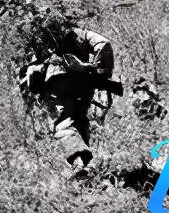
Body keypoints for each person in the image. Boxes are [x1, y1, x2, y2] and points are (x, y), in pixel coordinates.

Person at [18, 10, 121, 177]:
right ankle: (85, 168)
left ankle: (79, 166)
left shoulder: (40, 44)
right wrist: (95, 70)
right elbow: (104, 44)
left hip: (59, 85)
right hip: (84, 85)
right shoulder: (79, 34)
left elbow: (30, 74)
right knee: (79, 120)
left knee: (63, 124)